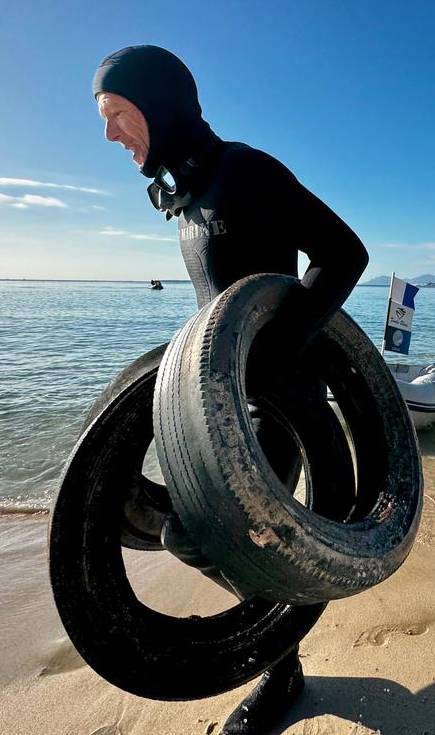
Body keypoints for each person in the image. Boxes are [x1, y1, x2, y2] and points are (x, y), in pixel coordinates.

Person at [93, 45, 368, 735]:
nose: (109, 134)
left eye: (120, 114)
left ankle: (280, 663)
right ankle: (279, 639)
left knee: (204, 539)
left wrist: (278, 355)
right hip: (218, 408)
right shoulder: (187, 193)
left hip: (274, 407)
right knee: (194, 533)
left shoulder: (244, 171)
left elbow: (344, 252)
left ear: (160, 107)